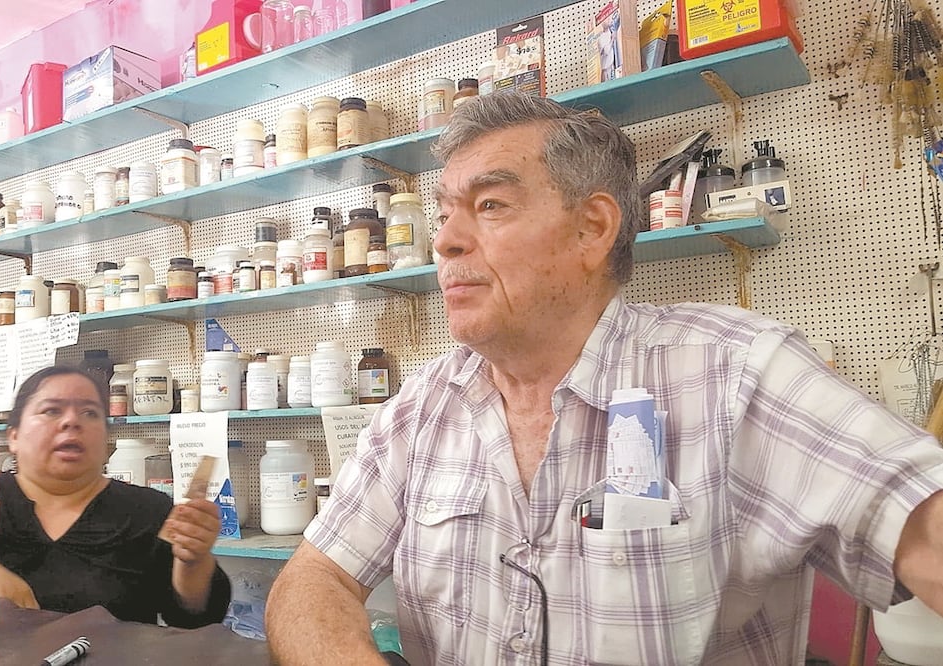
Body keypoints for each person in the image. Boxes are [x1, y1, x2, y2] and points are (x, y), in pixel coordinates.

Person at [265, 91, 943, 664]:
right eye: (445, 212)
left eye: (490, 205)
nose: (443, 240)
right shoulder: (423, 407)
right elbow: (313, 577)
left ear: (592, 229)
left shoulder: (732, 373)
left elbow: (919, 521)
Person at [0, 366, 230, 628]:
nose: (72, 421)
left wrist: (193, 561)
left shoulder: (148, 511)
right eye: (51, 410)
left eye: (90, 413)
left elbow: (194, 621)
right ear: (13, 436)